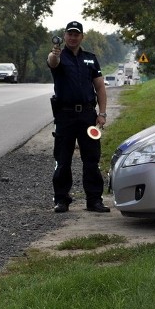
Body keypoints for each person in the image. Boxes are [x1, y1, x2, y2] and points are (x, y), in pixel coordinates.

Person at [47, 20, 110, 213]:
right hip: (65, 116)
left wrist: (102, 114)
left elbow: (99, 87)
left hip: (87, 116)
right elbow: (52, 62)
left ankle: (94, 200)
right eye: (69, 34)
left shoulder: (90, 59)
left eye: (76, 34)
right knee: (63, 159)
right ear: (64, 36)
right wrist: (54, 53)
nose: (72, 37)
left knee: (92, 159)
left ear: (82, 37)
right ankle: (61, 200)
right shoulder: (58, 55)